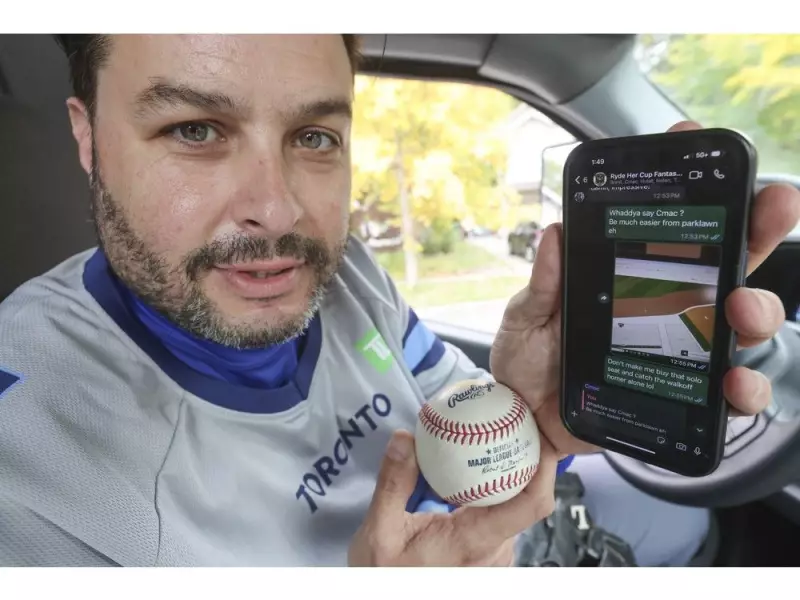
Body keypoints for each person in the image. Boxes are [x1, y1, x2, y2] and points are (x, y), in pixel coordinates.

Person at [0, 34, 796, 567]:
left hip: (539, 526)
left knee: (703, 523)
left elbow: (444, 397)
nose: (278, 213)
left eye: (315, 138)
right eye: (196, 131)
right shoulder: (33, 469)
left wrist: (516, 406)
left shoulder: (340, 274)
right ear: (88, 136)